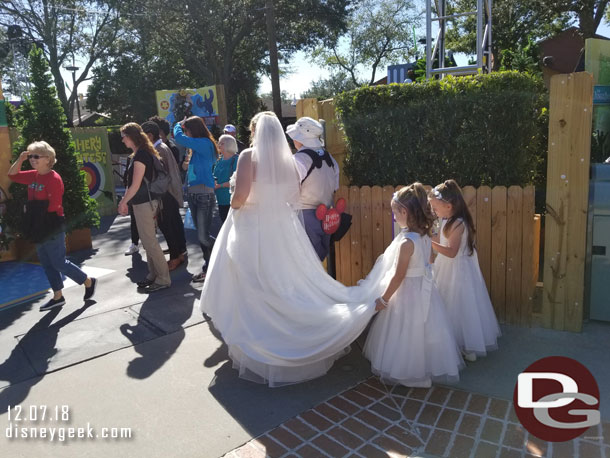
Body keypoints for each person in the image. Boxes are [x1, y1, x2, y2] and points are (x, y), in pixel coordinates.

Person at [198, 112, 376, 387]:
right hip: (280, 227)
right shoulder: (287, 161)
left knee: (251, 279)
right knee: (281, 279)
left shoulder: (248, 156)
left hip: (250, 224)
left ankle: (258, 336)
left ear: (255, 131)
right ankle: (287, 330)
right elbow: (293, 196)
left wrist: (234, 203)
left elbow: (241, 196)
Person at [361, 183, 463, 388]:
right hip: (426, 290)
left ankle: (409, 373)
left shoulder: (406, 242)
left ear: (405, 212)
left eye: (395, 213)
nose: (393, 218)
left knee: (406, 331)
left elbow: (399, 276)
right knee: (423, 329)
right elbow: (431, 259)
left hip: (408, 292)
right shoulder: (425, 236)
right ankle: (423, 368)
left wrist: (384, 298)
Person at [8, 141, 97, 311]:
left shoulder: (54, 179)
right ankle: (58, 296)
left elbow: (54, 206)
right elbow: (12, 175)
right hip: (38, 224)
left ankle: (88, 281)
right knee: (46, 262)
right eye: (31, 156)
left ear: (48, 159)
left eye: (36, 156)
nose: (32, 159)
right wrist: (20, 159)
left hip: (51, 224)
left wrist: (34, 216)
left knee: (58, 262)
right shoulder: (33, 175)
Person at [428, 179, 501, 362]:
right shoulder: (446, 221)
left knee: (459, 305)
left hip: (457, 271)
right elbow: (438, 237)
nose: (434, 211)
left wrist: (430, 244)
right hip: (446, 268)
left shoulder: (458, 224)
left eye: (436, 208)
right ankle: (451, 341)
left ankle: (464, 344)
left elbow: (451, 252)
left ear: (448, 205)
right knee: (446, 303)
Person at [118, 123, 171, 293]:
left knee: (150, 242)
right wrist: (126, 201)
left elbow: (135, 184)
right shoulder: (139, 154)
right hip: (144, 202)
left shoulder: (140, 155)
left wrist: (123, 202)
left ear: (131, 136)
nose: (122, 140)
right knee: (148, 241)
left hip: (144, 203)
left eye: (123, 136)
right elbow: (131, 183)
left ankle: (163, 278)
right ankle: (153, 274)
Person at [286, 117, 339, 261]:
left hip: (305, 217)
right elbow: (334, 187)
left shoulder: (299, 160)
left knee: (306, 263)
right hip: (327, 216)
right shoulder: (330, 159)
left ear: (301, 139)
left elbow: (289, 191)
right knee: (318, 260)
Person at [174, 116, 218, 282]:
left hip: (203, 194)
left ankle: (222, 258)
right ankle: (210, 267)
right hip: (196, 194)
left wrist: (178, 124)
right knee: (202, 235)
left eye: (187, 130)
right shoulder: (202, 145)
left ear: (193, 129)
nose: (186, 133)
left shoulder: (204, 143)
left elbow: (178, 137)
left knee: (203, 236)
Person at [141, 121, 187, 271]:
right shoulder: (161, 147)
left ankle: (175, 257)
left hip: (165, 194)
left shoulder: (158, 149)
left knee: (167, 226)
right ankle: (179, 254)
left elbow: (161, 175)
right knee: (171, 225)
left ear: (149, 135)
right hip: (169, 192)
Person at [213, 134, 238, 222]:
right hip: (220, 200)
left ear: (229, 144)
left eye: (222, 143)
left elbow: (237, 181)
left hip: (232, 200)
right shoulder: (219, 160)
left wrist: (219, 185)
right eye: (218, 143)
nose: (218, 145)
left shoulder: (237, 160)